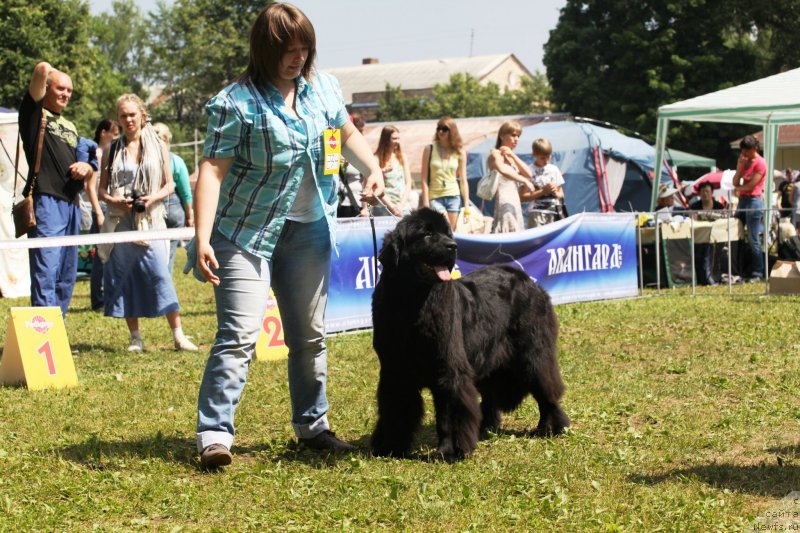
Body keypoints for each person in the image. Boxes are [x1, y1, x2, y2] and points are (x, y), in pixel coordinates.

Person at [192, 2, 385, 468]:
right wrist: (201, 238)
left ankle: (312, 427)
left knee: (310, 337)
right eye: (288, 50)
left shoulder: (323, 89)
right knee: (238, 336)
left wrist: (373, 166)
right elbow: (212, 173)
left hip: (310, 229)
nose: (298, 58)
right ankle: (214, 436)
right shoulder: (234, 103)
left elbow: (347, 134)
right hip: (243, 233)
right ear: (265, 50)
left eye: (305, 49)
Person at [98, 94, 198, 353]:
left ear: (143, 115)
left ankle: (178, 335)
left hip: (151, 221)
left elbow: (170, 184)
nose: (128, 120)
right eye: (123, 115)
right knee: (125, 278)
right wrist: (116, 200)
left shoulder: (158, 146)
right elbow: (102, 191)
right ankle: (135, 338)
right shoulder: (111, 150)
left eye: (132, 114)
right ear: (118, 119)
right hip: (122, 223)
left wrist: (152, 197)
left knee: (160, 274)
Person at [18, 62, 95, 316]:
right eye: (60, 88)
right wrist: (48, 71)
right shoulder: (34, 114)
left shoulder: (71, 126)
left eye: (70, 91)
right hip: (46, 201)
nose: (66, 94)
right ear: (47, 88)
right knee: (47, 271)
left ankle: (57, 332)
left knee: (66, 274)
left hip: (72, 203)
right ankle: (43, 333)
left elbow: (91, 156)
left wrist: (86, 165)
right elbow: (40, 69)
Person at [85, 119, 120, 311]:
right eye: (114, 134)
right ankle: (98, 301)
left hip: (112, 209)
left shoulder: (113, 154)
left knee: (112, 256)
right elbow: (90, 187)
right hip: (102, 210)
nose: (117, 137)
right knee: (100, 257)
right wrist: (98, 212)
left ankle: (110, 296)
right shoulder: (97, 154)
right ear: (103, 133)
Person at [152, 123, 195, 274]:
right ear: (168, 140)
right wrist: (190, 216)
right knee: (168, 256)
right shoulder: (176, 161)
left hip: (150, 210)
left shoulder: (142, 160)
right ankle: (164, 287)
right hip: (173, 212)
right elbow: (186, 193)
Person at [421, 117, 469, 230]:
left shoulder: (460, 151)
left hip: (454, 196)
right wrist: (426, 204)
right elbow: (423, 179)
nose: (440, 131)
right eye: (438, 128)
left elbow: (463, 180)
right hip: (435, 197)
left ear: (452, 131)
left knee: (452, 232)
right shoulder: (429, 149)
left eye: (444, 129)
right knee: (442, 229)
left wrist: (467, 207)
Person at [487, 121, 534, 233]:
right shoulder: (495, 154)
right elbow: (502, 170)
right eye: (513, 135)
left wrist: (512, 155)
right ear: (502, 135)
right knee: (506, 230)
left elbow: (529, 173)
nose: (516, 139)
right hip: (503, 200)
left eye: (518, 136)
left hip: (514, 200)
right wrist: (524, 180)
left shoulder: (511, 156)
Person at [732, 135, 767, 281]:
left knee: (753, 238)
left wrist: (740, 189)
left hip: (754, 201)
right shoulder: (743, 161)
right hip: (743, 201)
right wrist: (739, 168)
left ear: (755, 148)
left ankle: (757, 273)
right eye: (743, 151)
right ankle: (737, 269)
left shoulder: (761, 163)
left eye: (747, 151)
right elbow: (735, 181)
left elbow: (752, 185)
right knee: (736, 234)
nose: (744, 154)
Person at [520, 138, 566, 228]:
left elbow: (561, 194)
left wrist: (555, 192)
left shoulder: (554, 169)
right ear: (534, 154)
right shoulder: (528, 170)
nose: (546, 160)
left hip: (554, 213)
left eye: (548, 157)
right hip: (536, 214)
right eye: (542, 158)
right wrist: (542, 191)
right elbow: (522, 197)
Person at [689, 181, 726, 285]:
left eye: (707, 191)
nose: (705, 194)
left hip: (717, 237)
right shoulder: (694, 206)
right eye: (702, 191)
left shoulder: (719, 206)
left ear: (712, 193)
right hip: (699, 238)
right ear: (699, 194)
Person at [372, 125, 413, 217]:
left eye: (398, 138)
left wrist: (401, 205)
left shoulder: (402, 157)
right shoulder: (376, 159)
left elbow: (408, 182)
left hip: (403, 206)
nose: (397, 142)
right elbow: (375, 187)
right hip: (384, 207)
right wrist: (391, 206)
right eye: (394, 138)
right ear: (386, 140)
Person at [337, 114, 364, 218]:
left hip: (355, 201)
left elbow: (365, 179)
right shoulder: (331, 143)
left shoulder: (360, 149)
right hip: (337, 202)